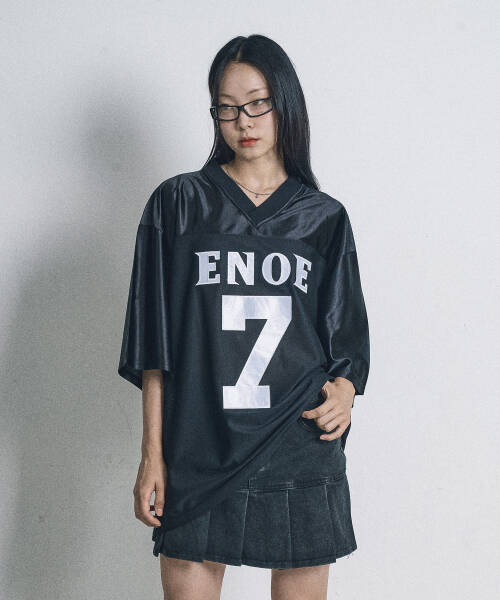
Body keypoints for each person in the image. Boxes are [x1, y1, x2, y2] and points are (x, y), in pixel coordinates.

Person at [118, 34, 370, 600]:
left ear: (286, 103)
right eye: (227, 108)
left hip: (298, 438)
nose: (244, 121)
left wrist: (346, 390)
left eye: (258, 103)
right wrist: (152, 455)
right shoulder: (179, 203)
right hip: (198, 441)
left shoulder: (324, 217)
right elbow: (155, 343)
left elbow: (346, 337)